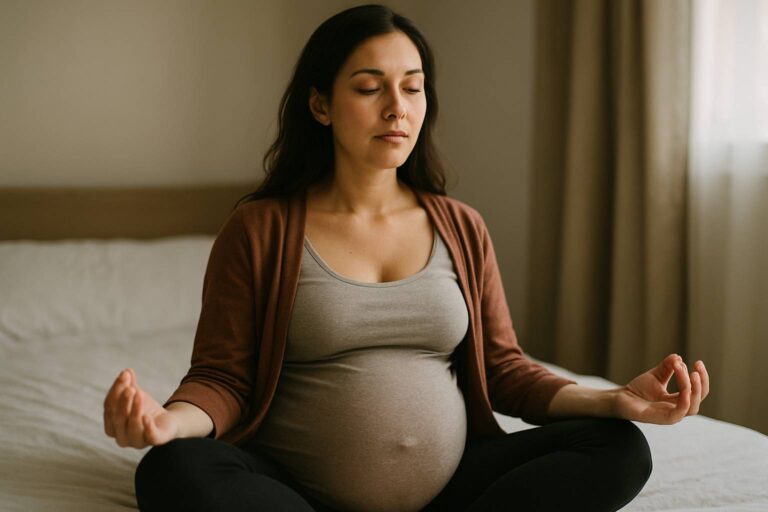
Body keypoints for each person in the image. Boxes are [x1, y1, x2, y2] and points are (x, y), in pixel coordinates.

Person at [102, 5, 710, 511]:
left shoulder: (460, 225)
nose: (397, 106)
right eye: (370, 88)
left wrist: (613, 399)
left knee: (618, 447)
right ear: (320, 105)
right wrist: (167, 422)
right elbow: (223, 379)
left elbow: (503, 369)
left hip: (454, 490)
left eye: (413, 87)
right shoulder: (261, 228)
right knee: (173, 469)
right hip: (296, 492)